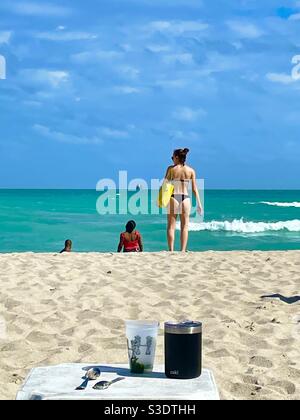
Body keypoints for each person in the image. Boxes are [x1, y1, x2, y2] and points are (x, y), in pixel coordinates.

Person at [163, 148, 203, 252]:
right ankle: (182, 250)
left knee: (171, 226)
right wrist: (199, 204)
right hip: (185, 199)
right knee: (184, 226)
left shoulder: (171, 169)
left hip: (173, 197)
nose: (172, 159)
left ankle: (171, 250)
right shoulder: (191, 171)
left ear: (177, 157)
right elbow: (194, 189)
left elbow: (165, 185)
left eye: (172, 157)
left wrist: (161, 199)